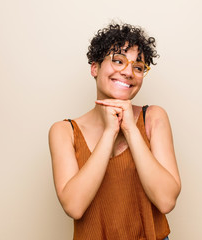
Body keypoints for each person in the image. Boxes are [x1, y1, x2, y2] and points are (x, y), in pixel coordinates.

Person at [49, 23, 181, 240]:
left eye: (138, 67)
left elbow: (166, 201)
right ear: (95, 68)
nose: (128, 72)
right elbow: (74, 206)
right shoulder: (64, 131)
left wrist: (129, 129)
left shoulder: (154, 118)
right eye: (118, 61)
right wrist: (110, 133)